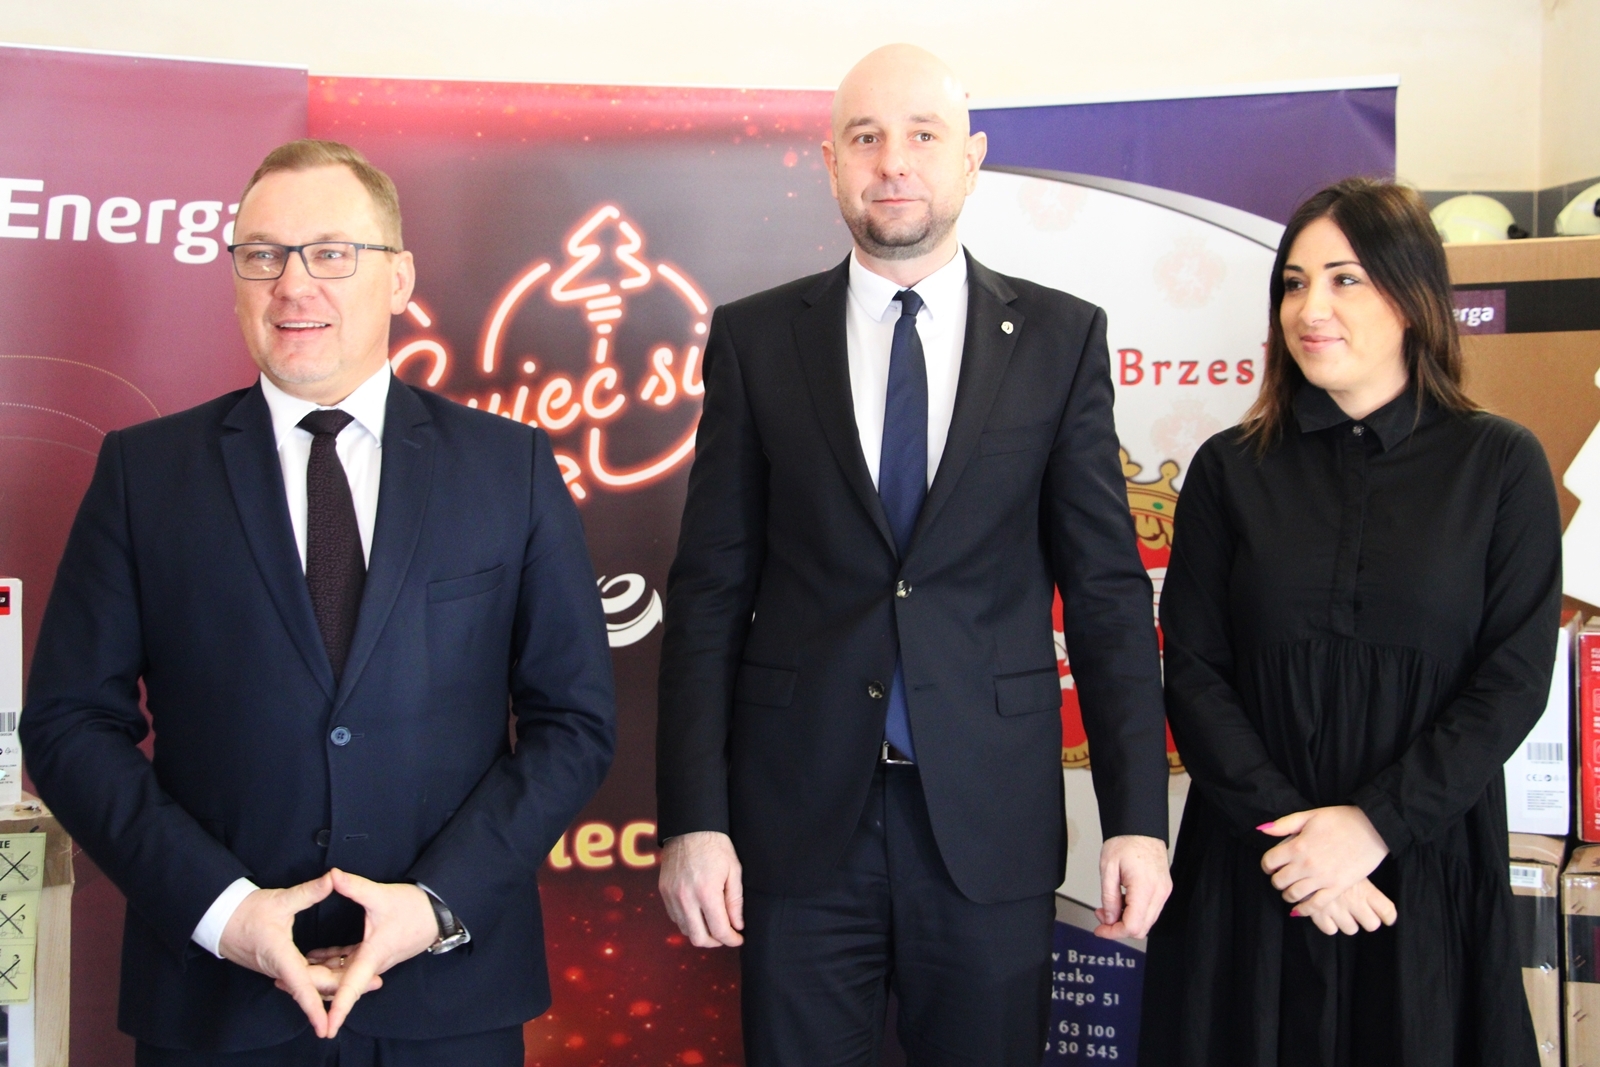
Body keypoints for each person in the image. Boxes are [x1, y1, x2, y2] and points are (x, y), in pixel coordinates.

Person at [20, 139, 615, 1065]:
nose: (293, 285)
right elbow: (67, 724)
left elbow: (571, 721)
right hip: (217, 1001)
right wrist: (225, 911)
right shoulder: (145, 475)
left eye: (332, 252)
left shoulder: (513, 469)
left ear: (399, 277)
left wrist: (434, 905)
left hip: (446, 999)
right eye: (262, 254)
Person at [655, 44, 1172, 1066]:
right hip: (800, 825)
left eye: (921, 135)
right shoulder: (757, 340)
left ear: (970, 158)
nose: (893, 161)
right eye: (865, 137)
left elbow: (1107, 595)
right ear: (830, 162)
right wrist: (693, 819)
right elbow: (709, 594)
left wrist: (1137, 820)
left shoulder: (1060, 339)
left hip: (988, 820)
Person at [1140, 179, 1559, 1066]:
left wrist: (1370, 828)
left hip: (1422, 868)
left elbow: (1513, 679)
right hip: (1255, 868)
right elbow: (1197, 673)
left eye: (1344, 279)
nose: (1310, 308)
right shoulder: (1228, 469)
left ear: (1412, 296)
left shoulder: (1500, 463)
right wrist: (1297, 845)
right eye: (1293, 284)